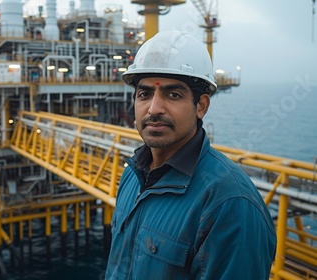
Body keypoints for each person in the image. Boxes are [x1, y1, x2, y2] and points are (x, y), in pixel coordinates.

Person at [105, 31, 277, 279]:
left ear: (201, 106)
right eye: (144, 94)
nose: (154, 109)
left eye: (173, 95)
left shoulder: (230, 203)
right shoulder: (132, 175)